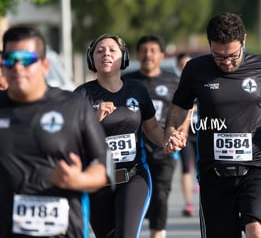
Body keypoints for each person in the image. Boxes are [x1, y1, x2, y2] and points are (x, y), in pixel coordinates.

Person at [163, 12, 261, 238]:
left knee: (256, 231)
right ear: (210, 45)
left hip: (257, 165)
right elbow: (179, 105)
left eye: (232, 55)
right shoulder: (195, 69)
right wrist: (172, 131)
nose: (227, 62)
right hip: (214, 171)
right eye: (218, 56)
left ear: (244, 40)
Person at [0, 26, 109, 237]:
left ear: (45, 65)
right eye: (10, 59)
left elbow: (103, 168)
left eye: (27, 59)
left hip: (61, 229)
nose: (18, 67)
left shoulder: (73, 106)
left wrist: (79, 180)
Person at [75, 34, 186, 238]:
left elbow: (152, 128)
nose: (106, 54)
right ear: (92, 60)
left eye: (112, 50)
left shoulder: (137, 89)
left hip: (133, 176)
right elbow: (70, 139)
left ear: (123, 58)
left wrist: (167, 140)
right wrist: (93, 118)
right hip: (97, 182)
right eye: (99, 51)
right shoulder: (81, 95)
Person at [123, 35, 180, 238]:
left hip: (162, 150)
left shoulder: (173, 81)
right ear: (138, 54)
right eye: (144, 50)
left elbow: (187, 109)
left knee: (160, 198)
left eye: (152, 50)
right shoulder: (127, 81)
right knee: (132, 202)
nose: (148, 55)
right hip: (134, 153)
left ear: (162, 55)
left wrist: (181, 131)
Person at [176, 52, 197, 217]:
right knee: (185, 168)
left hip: (204, 130)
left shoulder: (202, 81)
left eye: (188, 63)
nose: (186, 67)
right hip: (184, 133)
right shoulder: (175, 84)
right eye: (183, 64)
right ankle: (188, 203)